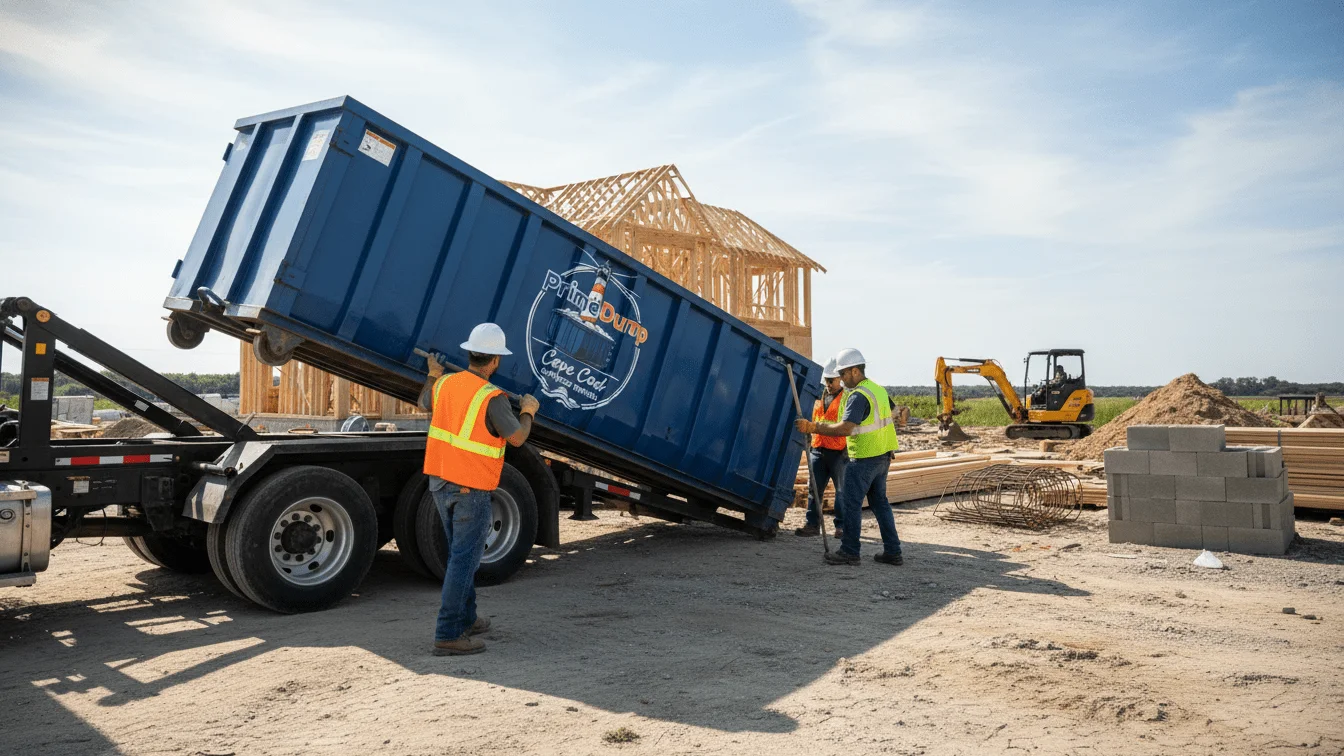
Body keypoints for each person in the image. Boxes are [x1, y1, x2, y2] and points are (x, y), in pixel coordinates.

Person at [418, 323, 539, 655]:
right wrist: (528, 412)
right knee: (464, 561)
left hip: (440, 483)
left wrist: (431, 372)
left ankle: (467, 618)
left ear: (470, 353)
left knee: (461, 556)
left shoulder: (444, 384)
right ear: (495, 361)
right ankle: (448, 634)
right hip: (470, 488)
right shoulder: (492, 397)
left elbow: (424, 401)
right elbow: (516, 438)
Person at [794, 348, 903, 566]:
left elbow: (845, 428)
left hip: (863, 458)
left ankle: (850, 551)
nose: (841, 380)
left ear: (854, 371)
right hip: (882, 456)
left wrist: (813, 427)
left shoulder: (858, 396)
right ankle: (893, 551)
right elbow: (889, 417)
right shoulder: (878, 390)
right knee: (880, 504)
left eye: (843, 374)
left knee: (851, 504)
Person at [795, 358, 847, 540]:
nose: (828, 384)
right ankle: (812, 524)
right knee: (814, 489)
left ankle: (841, 527)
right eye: (826, 380)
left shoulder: (846, 399)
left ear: (840, 379)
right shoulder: (818, 396)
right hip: (818, 449)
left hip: (839, 451)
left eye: (831, 380)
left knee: (841, 491)